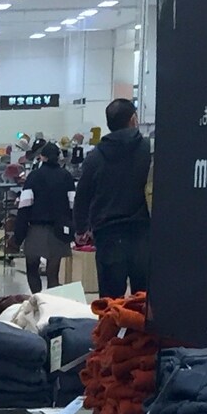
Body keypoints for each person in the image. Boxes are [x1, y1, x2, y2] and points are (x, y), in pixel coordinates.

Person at [73, 97, 152, 298]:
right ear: (133, 119)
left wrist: (81, 228)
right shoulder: (148, 151)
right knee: (143, 300)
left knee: (110, 303)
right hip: (142, 234)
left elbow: (82, 196)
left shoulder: (95, 157)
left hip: (108, 236)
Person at [14, 140, 75, 293]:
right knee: (53, 274)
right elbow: (73, 205)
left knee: (32, 269)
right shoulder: (66, 176)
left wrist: (18, 235)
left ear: (42, 157)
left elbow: (25, 206)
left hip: (36, 230)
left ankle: (37, 298)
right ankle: (50, 303)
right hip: (59, 231)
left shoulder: (34, 176)